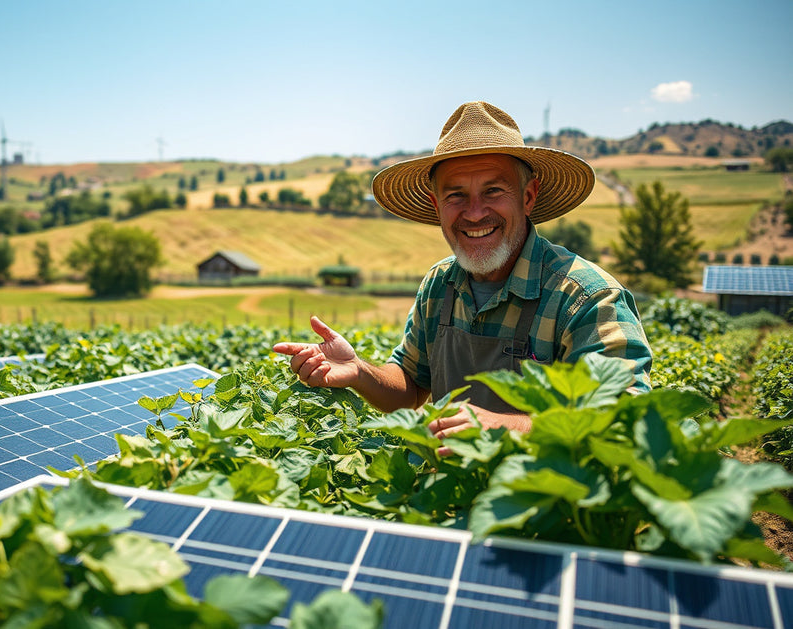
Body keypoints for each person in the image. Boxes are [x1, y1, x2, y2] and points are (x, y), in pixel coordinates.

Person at [272, 101, 652, 453]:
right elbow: (410, 385)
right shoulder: (441, 285)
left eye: (493, 191)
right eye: (456, 196)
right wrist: (359, 372)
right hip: (446, 497)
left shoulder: (586, 297)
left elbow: (626, 420)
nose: (473, 213)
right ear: (437, 206)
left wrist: (504, 428)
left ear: (529, 196)